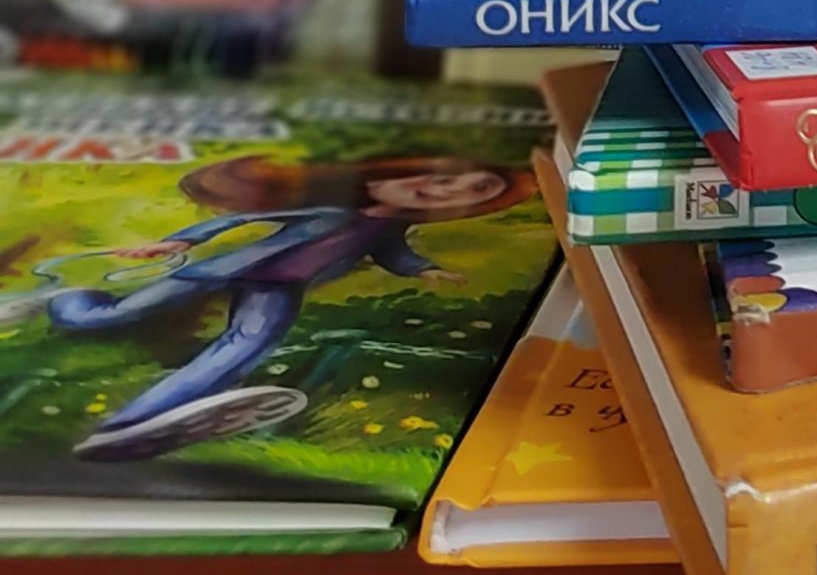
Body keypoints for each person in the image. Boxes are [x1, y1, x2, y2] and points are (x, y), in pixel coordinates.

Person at [0, 152, 535, 461]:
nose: (440, 191)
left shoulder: (387, 228)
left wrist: (424, 269)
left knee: (247, 344)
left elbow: (393, 252)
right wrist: (180, 241)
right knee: (111, 317)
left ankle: (130, 425)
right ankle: (65, 300)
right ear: (383, 177)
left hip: (278, 288)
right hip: (216, 268)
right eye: (441, 177)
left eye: (468, 192)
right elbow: (237, 221)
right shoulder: (328, 205)